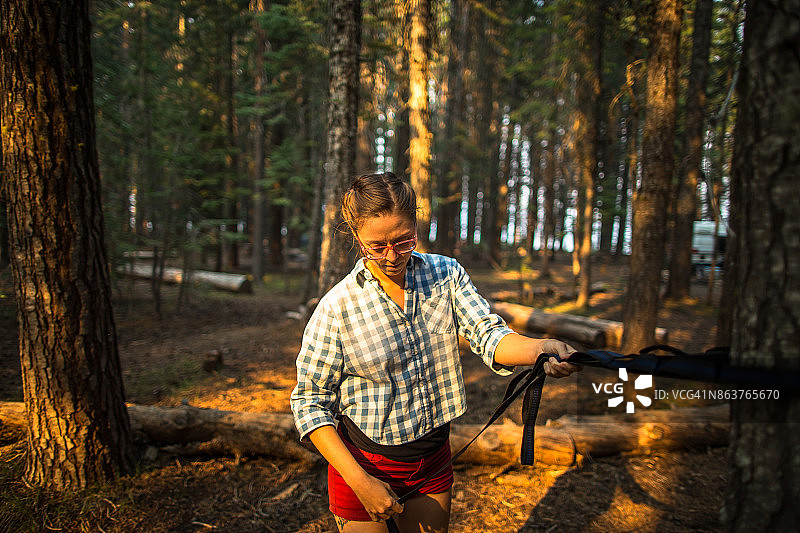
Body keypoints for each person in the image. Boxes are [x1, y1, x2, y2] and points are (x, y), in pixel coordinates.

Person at [290, 172, 581, 533]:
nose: (392, 256)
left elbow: (489, 335)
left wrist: (541, 349)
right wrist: (361, 482)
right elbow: (309, 401)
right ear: (356, 237)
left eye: (403, 240)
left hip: (433, 461)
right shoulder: (337, 307)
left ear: (416, 225)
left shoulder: (445, 275)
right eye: (376, 246)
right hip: (361, 467)